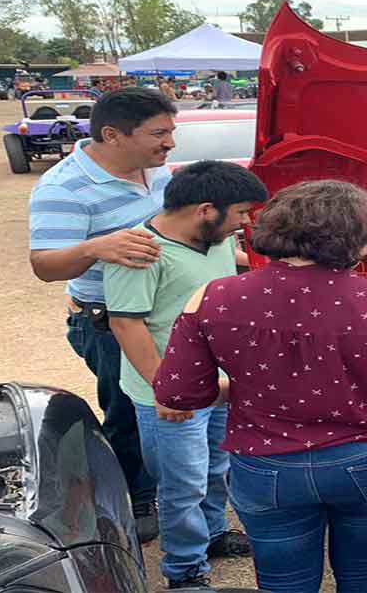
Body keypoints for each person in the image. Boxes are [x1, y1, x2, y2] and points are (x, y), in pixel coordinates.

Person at [154, 180, 367, 593]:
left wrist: (245, 385)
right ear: (356, 241)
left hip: (268, 466)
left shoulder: (214, 296)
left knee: (284, 583)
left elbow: (178, 393)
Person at [105, 161, 266, 589]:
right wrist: (167, 389)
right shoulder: (140, 252)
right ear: (205, 209)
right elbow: (126, 323)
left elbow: (224, 262)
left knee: (217, 467)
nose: (246, 221)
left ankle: (212, 535)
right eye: (241, 213)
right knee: (182, 486)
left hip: (216, 383)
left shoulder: (214, 237)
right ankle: (185, 572)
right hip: (169, 394)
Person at [28, 87, 178, 543]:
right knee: (129, 409)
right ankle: (138, 496)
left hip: (163, 311)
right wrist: (96, 247)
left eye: (171, 131)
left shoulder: (157, 172)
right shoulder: (63, 187)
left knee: (175, 401)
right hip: (108, 320)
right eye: (159, 133)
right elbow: (44, 266)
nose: (170, 143)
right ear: (113, 135)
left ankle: (183, 487)